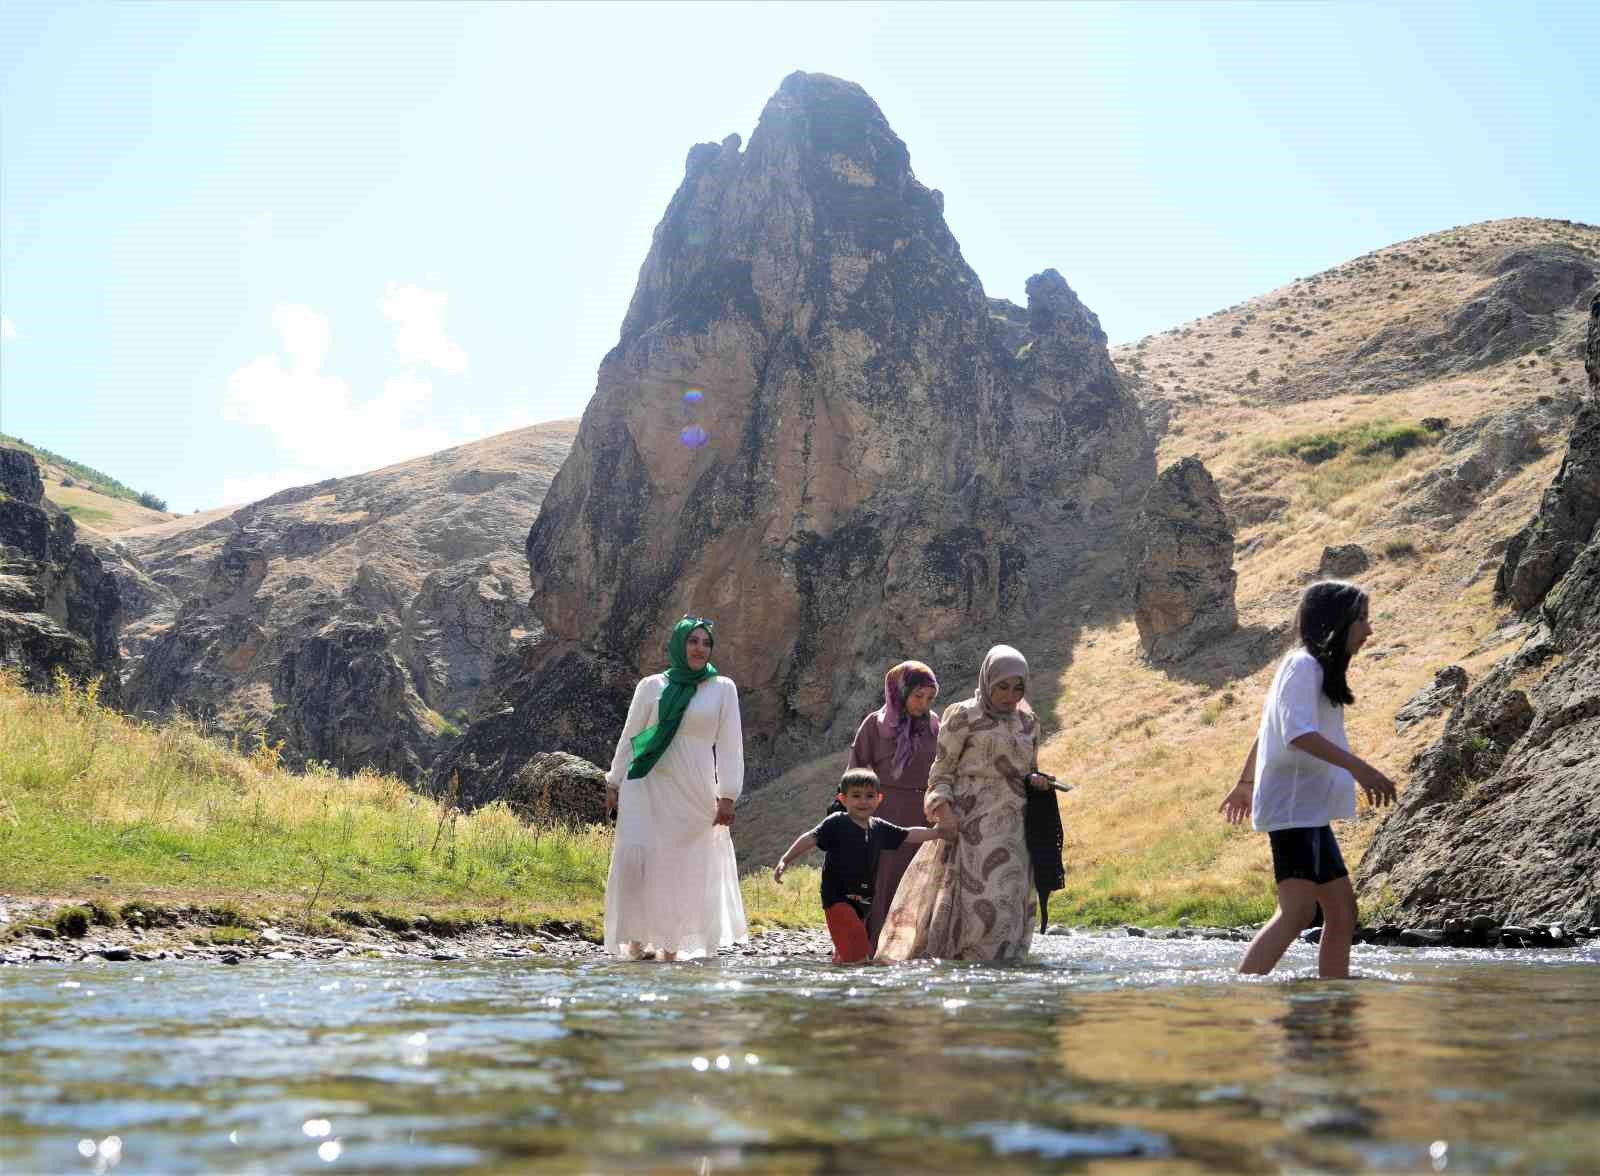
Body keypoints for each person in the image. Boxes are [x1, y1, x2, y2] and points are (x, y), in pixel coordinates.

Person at [1218, 581, 1398, 979]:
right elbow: (1295, 733)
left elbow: (1269, 731)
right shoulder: (1303, 666)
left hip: (1307, 810)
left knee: (1342, 912)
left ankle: (1332, 993)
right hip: (1293, 807)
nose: (1369, 630)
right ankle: (1244, 992)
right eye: (1362, 620)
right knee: (1297, 911)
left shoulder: (1313, 669)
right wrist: (1360, 768)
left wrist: (1245, 783)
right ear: (1338, 622)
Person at [875, 644, 1059, 962]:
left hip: (1016, 827)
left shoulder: (1028, 723)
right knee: (973, 900)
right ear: (987, 681)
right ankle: (964, 974)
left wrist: (1039, 782)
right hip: (970, 824)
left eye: (1018, 688)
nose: (1011, 695)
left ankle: (1001, 975)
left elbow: (1028, 772)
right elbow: (941, 772)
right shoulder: (962, 715)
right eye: (1003, 686)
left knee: (1006, 898)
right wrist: (943, 812)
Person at [603, 616, 747, 961]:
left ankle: (672, 945)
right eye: (692, 641)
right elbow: (630, 736)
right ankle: (636, 941)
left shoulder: (722, 688)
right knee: (639, 858)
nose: (699, 648)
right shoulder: (651, 686)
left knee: (683, 864)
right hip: (646, 782)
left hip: (694, 789)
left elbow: (731, 745)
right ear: (679, 645)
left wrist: (728, 794)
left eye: (705, 642)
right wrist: (614, 781)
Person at [772, 768, 950, 963]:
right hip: (837, 898)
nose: (863, 801)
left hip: (864, 901)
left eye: (869, 796)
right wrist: (785, 859)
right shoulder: (837, 822)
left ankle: (841, 982)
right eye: (856, 796)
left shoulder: (879, 827)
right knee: (858, 949)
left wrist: (938, 832)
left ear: (879, 799)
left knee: (846, 951)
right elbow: (810, 838)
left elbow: (908, 834)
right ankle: (859, 980)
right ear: (843, 798)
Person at [843, 660, 942, 947]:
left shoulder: (936, 727)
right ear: (900, 692)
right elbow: (855, 771)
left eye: (929, 698)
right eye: (917, 696)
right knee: (880, 881)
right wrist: (856, 814)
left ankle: (909, 947)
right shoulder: (875, 725)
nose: (923, 704)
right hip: (882, 815)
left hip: (921, 817)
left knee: (916, 882)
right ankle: (872, 945)